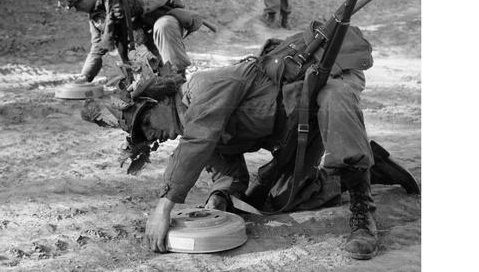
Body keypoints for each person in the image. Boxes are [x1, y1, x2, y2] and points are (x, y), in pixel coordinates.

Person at [91, 24, 420, 260]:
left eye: (146, 124)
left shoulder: (201, 90)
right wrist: (220, 199)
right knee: (278, 198)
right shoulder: (196, 130)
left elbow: (199, 140)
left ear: (158, 101)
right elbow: (230, 175)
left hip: (324, 83)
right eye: (146, 139)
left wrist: (165, 206)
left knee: (336, 100)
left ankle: (362, 210)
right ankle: (373, 167)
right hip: (297, 131)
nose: (153, 137)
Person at [51, 0, 203, 82]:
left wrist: (138, 5)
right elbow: (97, 48)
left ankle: (177, 77)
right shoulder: (96, 17)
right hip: (142, 54)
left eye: (76, 3)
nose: (76, 9)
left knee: (164, 25)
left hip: (160, 32)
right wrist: (85, 76)